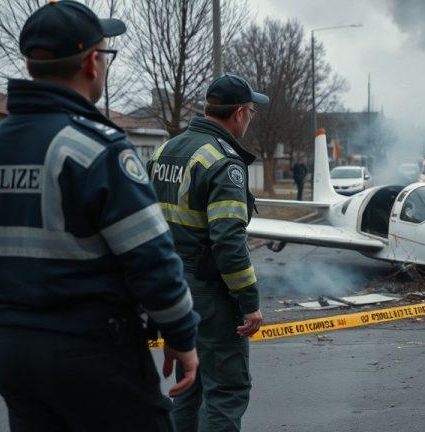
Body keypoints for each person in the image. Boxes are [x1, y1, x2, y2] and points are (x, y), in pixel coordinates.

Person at [0, 2, 200, 430]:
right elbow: (153, 260)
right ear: (93, 63)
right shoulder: (96, 149)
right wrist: (182, 335)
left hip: (13, 354)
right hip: (94, 355)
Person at [148, 73, 268, 431]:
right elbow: (228, 243)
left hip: (171, 287)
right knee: (227, 390)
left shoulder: (164, 150)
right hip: (208, 295)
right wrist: (249, 302)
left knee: (189, 386)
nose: (249, 119)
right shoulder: (223, 162)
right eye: (251, 112)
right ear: (239, 113)